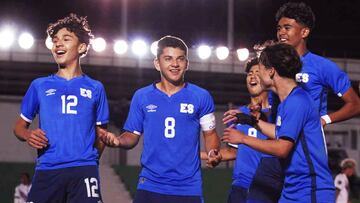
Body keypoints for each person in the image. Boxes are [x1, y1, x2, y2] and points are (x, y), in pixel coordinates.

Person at [98, 35, 221, 203]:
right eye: (168, 59)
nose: (175, 64)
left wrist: (213, 151)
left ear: (187, 64)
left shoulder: (201, 96)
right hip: (150, 184)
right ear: (157, 63)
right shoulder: (142, 96)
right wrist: (118, 141)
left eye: (180, 59)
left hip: (188, 187)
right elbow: (132, 136)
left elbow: (211, 134)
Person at [13, 13, 109, 203]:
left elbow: (101, 135)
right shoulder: (39, 85)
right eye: (55, 40)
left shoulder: (95, 88)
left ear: (81, 47)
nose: (58, 44)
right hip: (48, 169)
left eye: (66, 39)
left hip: (84, 169)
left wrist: (89, 161)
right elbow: (19, 127)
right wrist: (28, 135)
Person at [222, 43, 335, 203]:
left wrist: (243, 138)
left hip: (311, 190)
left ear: (271, 71)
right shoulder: (287, 101)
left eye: (259, 68)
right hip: (293, 189)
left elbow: (282, 148)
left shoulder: (297, 101)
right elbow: (280, 132)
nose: (255, 74)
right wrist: (251, 121)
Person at [202, 57, 282, 203]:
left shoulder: (278, 113)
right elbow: (233, 152)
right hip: (240, 186)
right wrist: (198, 154)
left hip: (267, 187)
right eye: (250, 73)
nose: (252, 76)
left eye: (258, 72)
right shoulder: (237, 115)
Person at [275, 2, 360, 127]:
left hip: (309, 142)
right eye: (279, 28)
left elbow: (355, 104)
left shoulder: (323, 66)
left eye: (287, 28)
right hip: (278, 139)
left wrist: (325, 119)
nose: (281, 32)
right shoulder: (274, 65)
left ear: (304, 32)